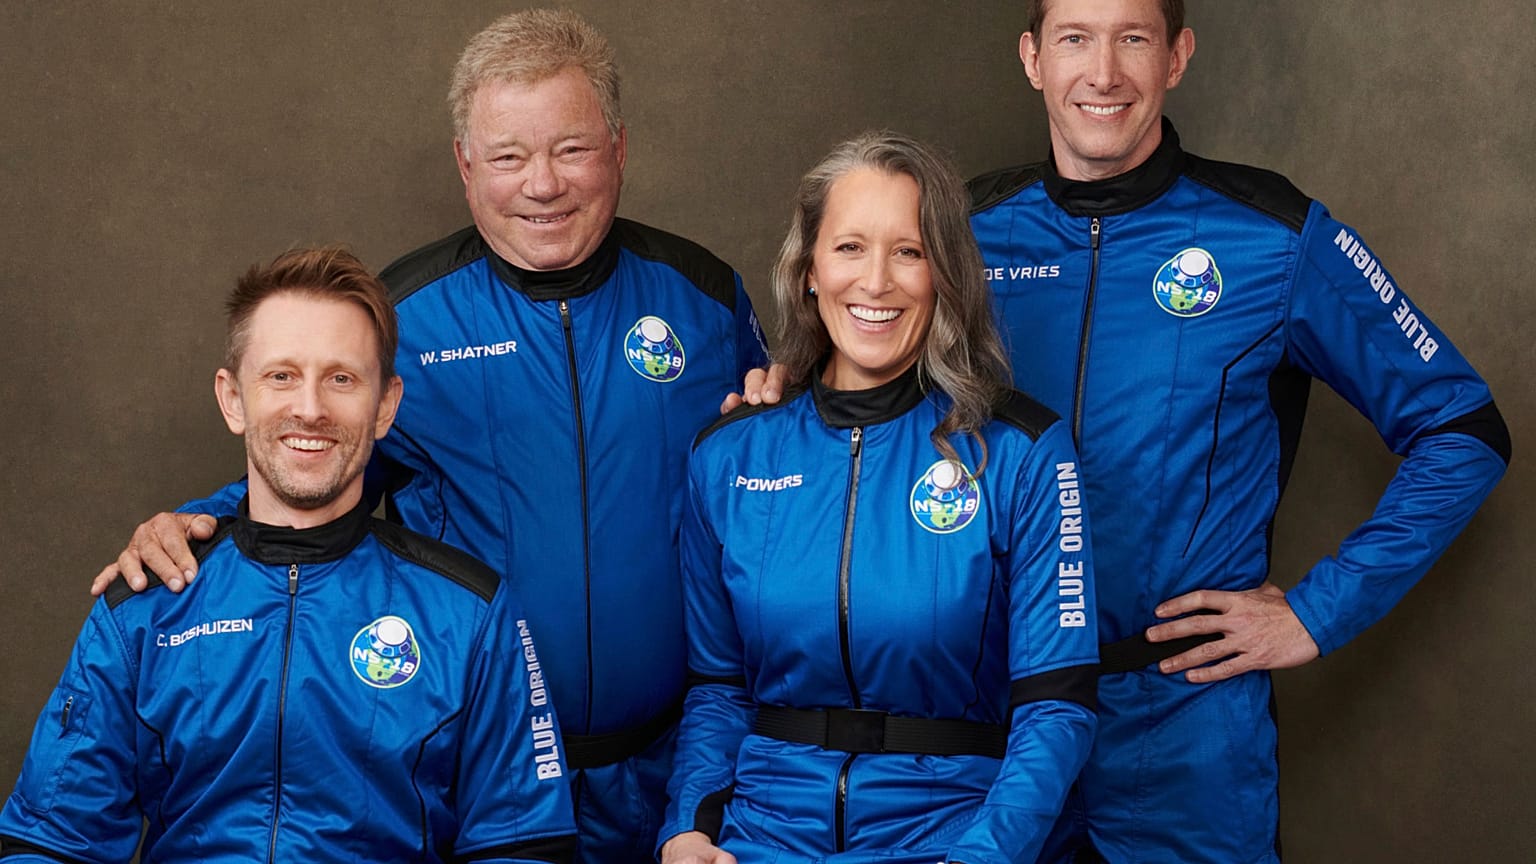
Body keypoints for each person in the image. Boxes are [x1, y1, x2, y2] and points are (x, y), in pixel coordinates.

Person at [92, 10, 767, 862]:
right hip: (477, 784)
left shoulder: (704, 300)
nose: (543, 184)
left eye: (571, 149)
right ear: (464, 165)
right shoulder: (402, 317)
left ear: (620, 149)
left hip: (683, 775)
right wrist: (196, 528)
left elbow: (775, 473)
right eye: (509, 157)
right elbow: (313, 463)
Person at [964, 0, 1512, 861]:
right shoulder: (960, 236)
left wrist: (1315, 613)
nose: (1103, 72)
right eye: (1075, 38)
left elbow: (1464, 427)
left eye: (1134, 38)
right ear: (1033, 58)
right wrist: (775, 393)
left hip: (1183, 725)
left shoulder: (1273, 236)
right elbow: (859, 399)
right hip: (995, 713)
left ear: (1177, 56)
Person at [0, 247, 576, 863]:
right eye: (281, 376)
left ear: (385, 405)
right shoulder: (142, 610)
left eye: (342, 378)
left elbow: (522, 846)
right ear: (233, 399)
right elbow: (53, 842)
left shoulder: (471, 615)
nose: (310, 407)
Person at [659, 132, 1099, 864]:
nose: (876, 282)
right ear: (808, 270)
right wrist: (688, 830)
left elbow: (1057, 708)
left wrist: (984, 856)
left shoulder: (1022, 453)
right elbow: (717, 690)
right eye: (850, 248)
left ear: (946, 275)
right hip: (763, 840)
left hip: (950, 837)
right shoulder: (729, 456)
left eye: (909, 251)